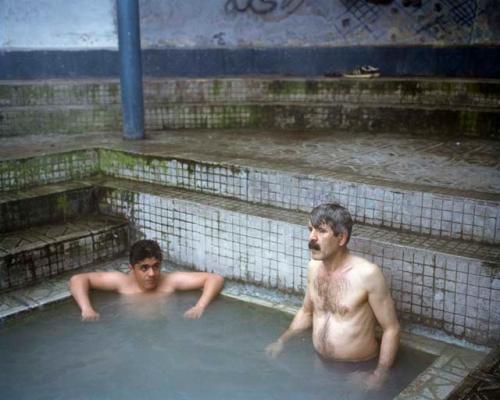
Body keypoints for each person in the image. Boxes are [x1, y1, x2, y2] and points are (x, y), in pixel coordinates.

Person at [266, 203, 400, 390]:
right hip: (320, 362)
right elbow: (306, 312)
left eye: (321, 231)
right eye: (310, 229)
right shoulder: (313, 268)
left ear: (341, 238)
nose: (312, 237)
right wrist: (282, 341)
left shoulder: (367, 274)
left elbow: (391, 328)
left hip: (357, 370)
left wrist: (380, 374)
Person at [69, 239, 224, 321]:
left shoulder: (170, 281)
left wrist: (199, 307)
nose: (152, 273)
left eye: (156, 266)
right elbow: (78, 279)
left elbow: (214, 279)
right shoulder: (122, 282)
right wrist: (87, 309)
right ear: (132, 268)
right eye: (144, 268)